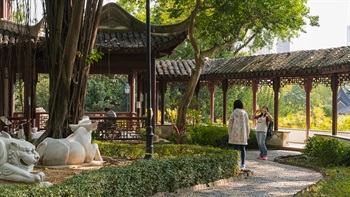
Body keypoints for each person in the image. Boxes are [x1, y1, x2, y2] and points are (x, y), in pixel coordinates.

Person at [228, 100, 250, 169]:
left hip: (235, 133)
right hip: (242, 133)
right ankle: (243, 164)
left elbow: (230, 123)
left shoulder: (233, 113)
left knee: (235, 149)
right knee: (243, 149)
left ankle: (235, 163)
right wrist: (248, 133)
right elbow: (247, 124)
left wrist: (229, 132)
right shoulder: (244, 113)